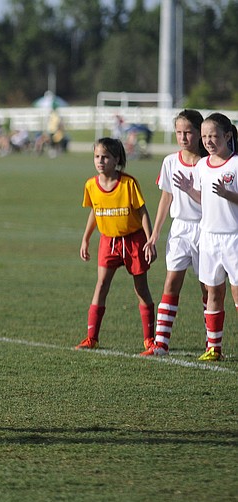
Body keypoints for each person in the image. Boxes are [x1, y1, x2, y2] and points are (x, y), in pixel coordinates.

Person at [76, 137, 156, 353]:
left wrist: (150, 240)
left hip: (133, 240)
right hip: (108, 241)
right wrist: (86, 238)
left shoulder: (128, 183)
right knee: (101, 285)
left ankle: (149, 339)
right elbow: (95, 211)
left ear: (117, 159)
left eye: (105, 157)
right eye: (97, 156)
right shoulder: (91, 185)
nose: (100, 161)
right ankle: (91, 337)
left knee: (141, 288)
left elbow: (142, 212)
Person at [141, 110, 207, 356]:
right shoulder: (170, 161)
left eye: (188, 131)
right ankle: (161, 344)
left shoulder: (209, 163)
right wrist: (155, 234)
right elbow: (166, 197)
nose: (183, 136)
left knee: (208, 288)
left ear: (200, 132)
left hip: (206, 229)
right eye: (179, 132)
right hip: (179, 229)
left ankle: (213, 344)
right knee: (171, 282)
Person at [173, 113, 238, 361]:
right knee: (213, 292)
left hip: (233, 237)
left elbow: (228, 197)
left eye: (213, 136)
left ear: (227, 136)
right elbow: (206, 198)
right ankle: (214, 348)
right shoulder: (202, 165)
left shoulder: (235, 165)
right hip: (209, 238)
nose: (208, 141)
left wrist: (227, 194)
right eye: (204, 137)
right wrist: (190, 190)